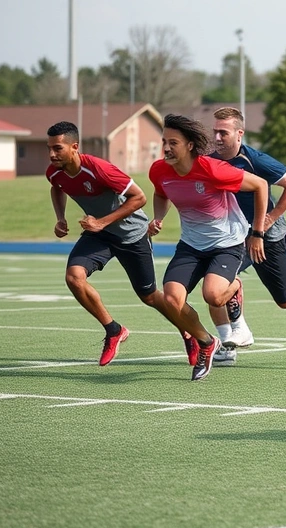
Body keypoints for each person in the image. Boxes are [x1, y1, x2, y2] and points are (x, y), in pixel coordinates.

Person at [46, 121, 180, 366]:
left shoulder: (99, 169)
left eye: (57, 148)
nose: (52, 154)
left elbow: (138, 198)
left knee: (149, 296)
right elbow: (57, 187)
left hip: (132, 234)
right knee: (74, 277)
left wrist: (101, 222)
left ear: (74, 147)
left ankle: (188, 332)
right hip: (101, 235)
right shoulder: (54, 172)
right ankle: (113, 330)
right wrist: (60, 218)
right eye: (50, 149)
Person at [147, 114, 270, 380]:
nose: (167, 148)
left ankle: (234, 286)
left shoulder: (212, 169)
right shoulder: (159, 170)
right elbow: (160, 192)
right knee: (171, 299)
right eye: (164, 142)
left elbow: (260, 185)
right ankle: (205, 342)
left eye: (173, 143)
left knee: (213, 296)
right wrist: (158, 217)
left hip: (227, 242)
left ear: (190, 145)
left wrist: (258, 232)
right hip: (191, 244)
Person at [207, 107, 286, 365]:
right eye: (214, 131)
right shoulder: (208, 160)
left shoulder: (256, 160)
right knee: (215, 284)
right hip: (233, 237)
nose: (217, 138)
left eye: (223, 133)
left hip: (268, 236)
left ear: (240, 134)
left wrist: (266, 222)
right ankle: (228, 345)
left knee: (284, 299)